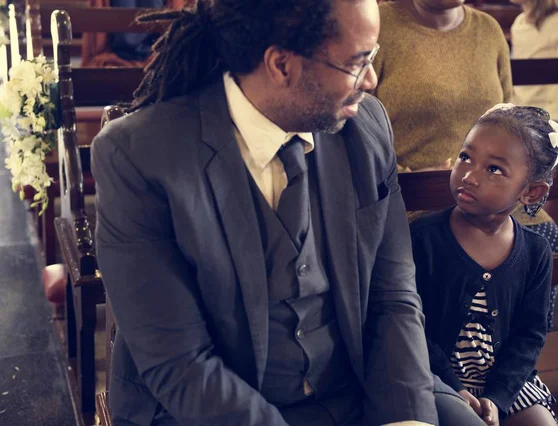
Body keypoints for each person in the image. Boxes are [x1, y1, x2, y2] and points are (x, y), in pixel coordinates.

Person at [91, 0, 486, 425]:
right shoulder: (138, 154)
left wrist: (405, 418)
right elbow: (179, 362)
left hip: (355, 382)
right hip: (212, 405)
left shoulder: (365, 126)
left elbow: (394, 296)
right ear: (281, 65)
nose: (371, 80)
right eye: (358, 62)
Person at [410, 103, 558, 426]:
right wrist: (454, 387)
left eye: (494, 169)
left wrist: (497, 397)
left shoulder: (536, 252)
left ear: (530, 192)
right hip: (437, 377)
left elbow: (529, 337)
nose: (470, 176)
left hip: (507, 383)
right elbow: (411, 325)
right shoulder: (423, 238)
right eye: (465, 157)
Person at [373, 0, 512, 171]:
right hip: (404, 191)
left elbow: (507, 120)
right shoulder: (377, 25)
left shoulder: (488, 28)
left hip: (485, 189)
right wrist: (405, 176)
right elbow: (355, 135)